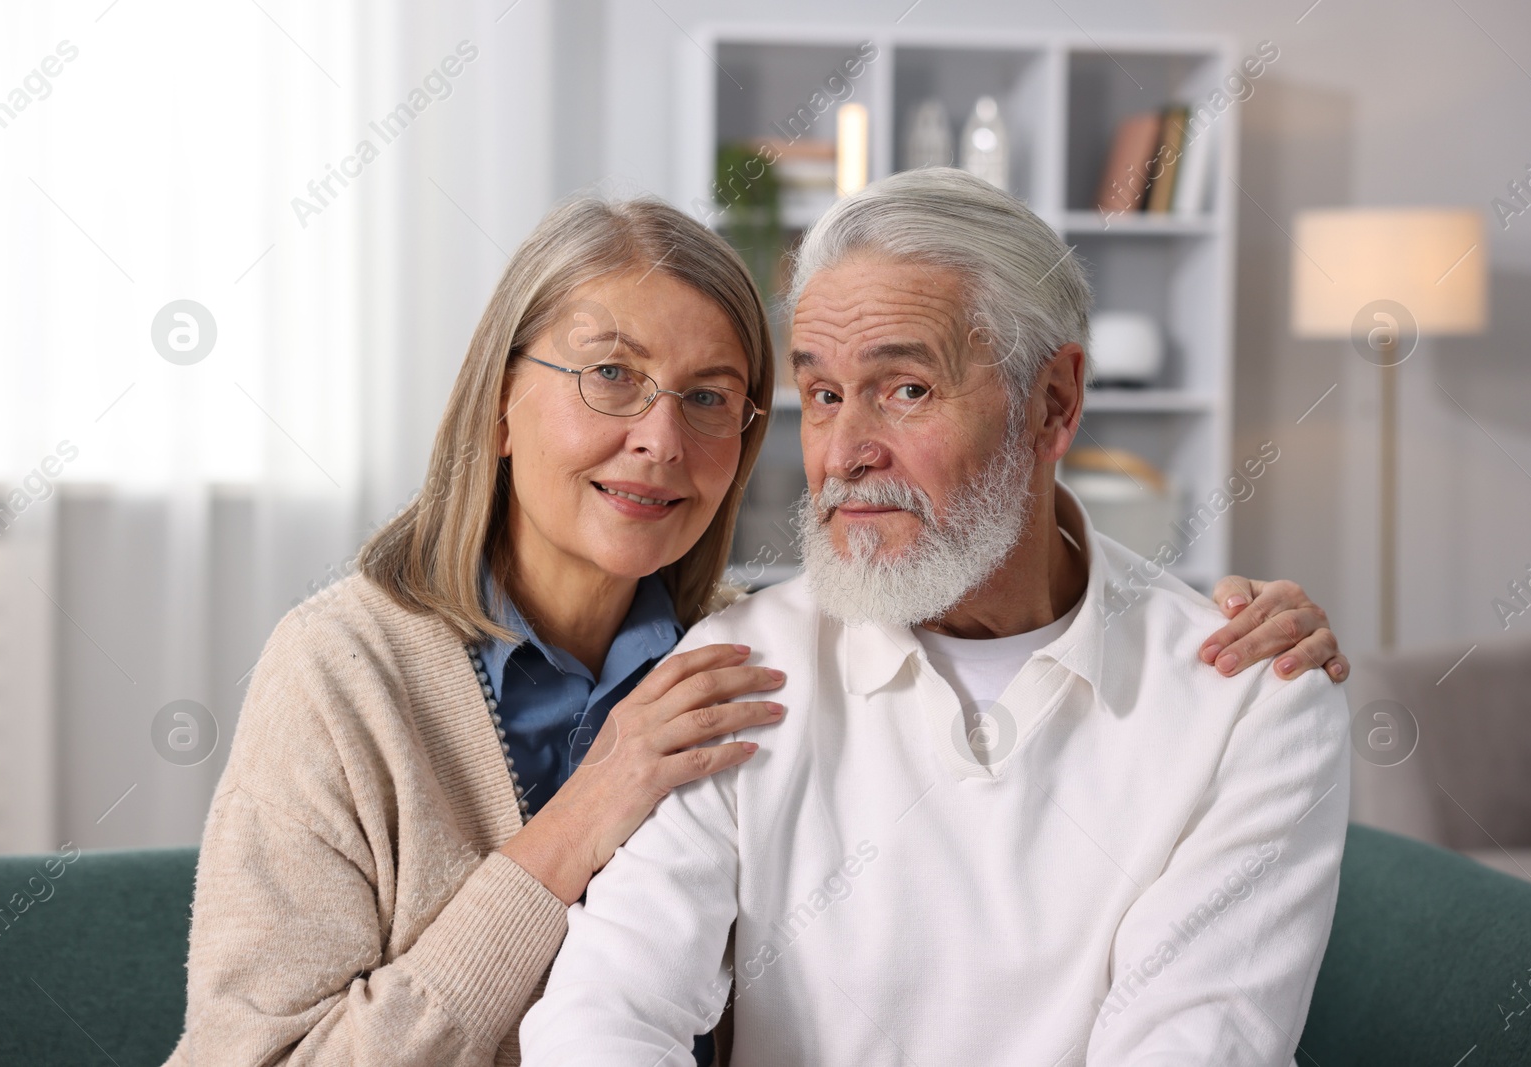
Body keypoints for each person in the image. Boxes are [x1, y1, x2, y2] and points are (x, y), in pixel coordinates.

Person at [165, 191, 1346, 1066]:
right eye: (609, 376)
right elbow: (603, 1014)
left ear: (1055, 403)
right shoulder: (347, 670)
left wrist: (1228, 639)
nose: (660, 443)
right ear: (501, 404)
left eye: (711, 398)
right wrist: (585, 811)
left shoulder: (718, 655)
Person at [518, 170, 1352, 1067]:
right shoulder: (733, 671)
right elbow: (601, 1019)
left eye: (906, 389)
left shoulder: (1251, 704)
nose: (843, 454)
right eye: (825, 395)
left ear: (1054, 402)